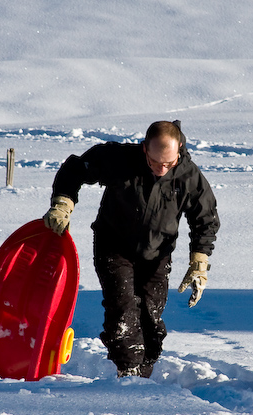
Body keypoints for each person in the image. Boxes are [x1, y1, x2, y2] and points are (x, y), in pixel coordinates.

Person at [43, 120, 220, 378]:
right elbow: (76, 168)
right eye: (155, 162)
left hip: (158, 255)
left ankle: (143, 374)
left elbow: (205, 218)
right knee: (123, 310)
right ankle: (127, 373)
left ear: (179, 149)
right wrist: (63, 203)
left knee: (151, 317)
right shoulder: (120, 159)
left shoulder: (189, 176)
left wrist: (199, 262)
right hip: (114, 246)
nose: (161, 169)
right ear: (144, 149)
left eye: (168, 164)